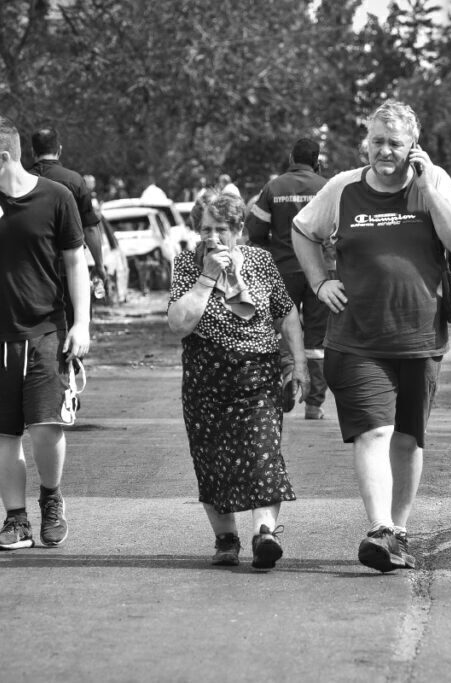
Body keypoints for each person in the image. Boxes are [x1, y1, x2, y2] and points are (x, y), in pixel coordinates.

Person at [291, 99, 451, 573]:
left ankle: (399, 530)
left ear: (413, 146)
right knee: (374, 431)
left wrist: (429, 189)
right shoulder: (343, 187)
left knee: (409, 440)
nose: (385, 151)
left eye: (395, 143)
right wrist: (319, 282)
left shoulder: (433, 183)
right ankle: (379, 529)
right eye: (378, 142)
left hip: (419, 338)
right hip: (356, 339)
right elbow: (302, 230)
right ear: (365, 143)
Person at [0, 115, 91, 550]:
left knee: (47, 427)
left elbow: (74, 262)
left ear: (3, 157)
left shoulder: (56, 196)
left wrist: (82, 323)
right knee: (3, 432)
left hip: (46, 329)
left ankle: (51, 500)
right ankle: (16, 521)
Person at [167, 191, 309, 571]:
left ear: (239, 230)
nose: (213, 237)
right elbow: (179, 324)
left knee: (263, 453)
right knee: (211, 459)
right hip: (205, 377)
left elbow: (286, 313)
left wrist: (299, 364)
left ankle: (265, 534)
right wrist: (207, 278)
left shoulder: (261, 261)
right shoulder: (186, 264)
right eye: (206, 230)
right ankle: (226, 538)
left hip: (257, 375)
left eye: (221, 230)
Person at [246, 138, 331, 420]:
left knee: (283, 326)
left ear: (291, 157)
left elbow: (256, 230)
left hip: (283, 270)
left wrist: (276, 249)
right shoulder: (326, 187)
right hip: (320, 273)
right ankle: (314, 404)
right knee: (318, 338)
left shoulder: (274, 187)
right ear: (316, 161)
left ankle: (286, 376)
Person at [30, 127, 106, 302]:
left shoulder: (23, 182)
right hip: (69, 270)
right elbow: (91, 230)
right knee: (74, 323)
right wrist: (99, 265)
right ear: (59, 150)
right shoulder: (74, 181)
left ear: (33, 151)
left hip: (33, 274)